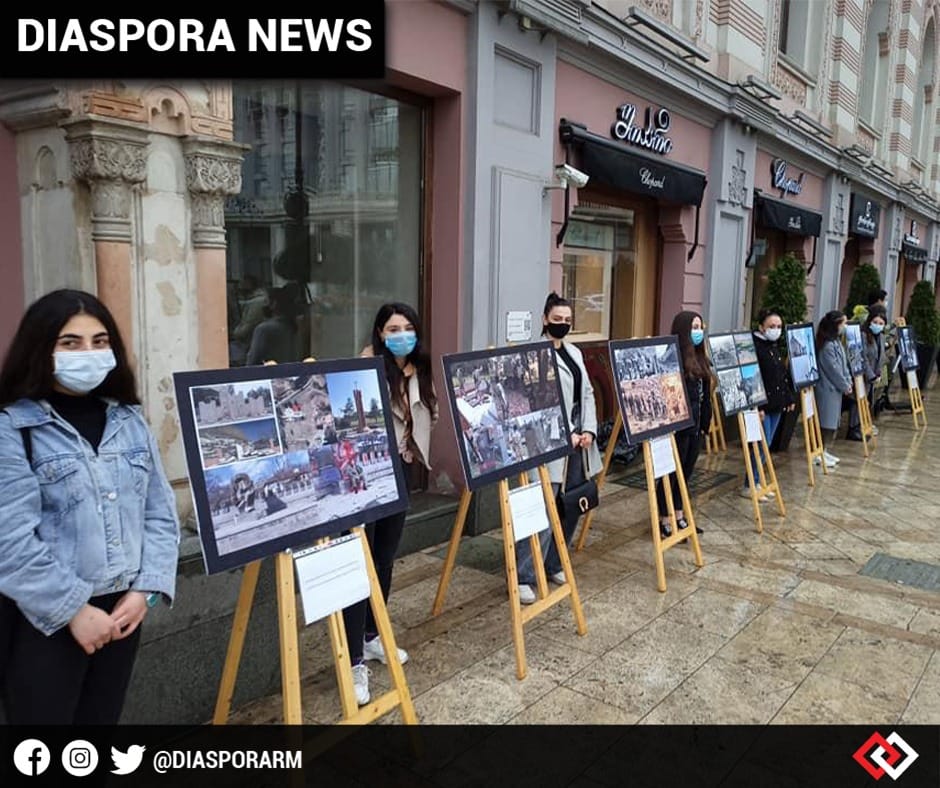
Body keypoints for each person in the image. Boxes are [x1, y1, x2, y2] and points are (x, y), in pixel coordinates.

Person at [0, 289, 180, 724]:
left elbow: (159, 511)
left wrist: (146, 592)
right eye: (71, 342)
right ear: (41, 348)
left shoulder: (127, 419)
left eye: (100, 342)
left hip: (122, 615)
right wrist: (75, 611)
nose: (89, 353)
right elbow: (10, 542)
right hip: (44, 620)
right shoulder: (14, 428)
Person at [342, 302, 438, 706]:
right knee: (358, 566)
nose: (402, 334)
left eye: (408, 327)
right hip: (365, 476)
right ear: (380, 333)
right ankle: (353, 661)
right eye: (393, 328)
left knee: (383, 560)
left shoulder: (418, 369)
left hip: (397, 473)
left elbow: (425, 414)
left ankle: (372, 635)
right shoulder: (366, 370)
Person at [515, 293, 602, 605]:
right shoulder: (533, 356)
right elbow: (537, 403)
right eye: (557, 320)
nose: (562, 325)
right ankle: (524, 574)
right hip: (548, 442)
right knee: (541, 509)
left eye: (567, 321)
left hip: (581, 442)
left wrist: (588, 429)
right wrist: (568, 433)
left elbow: (588, 393)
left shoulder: (575, 353)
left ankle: (553, 562)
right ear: (544, 320)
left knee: (570, 505)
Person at [656, 311, 712, 539]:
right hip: (679, 428)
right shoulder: (672, 359)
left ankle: (679, 513)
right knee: (670, 473)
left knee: (686, 473)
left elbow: (705, 396)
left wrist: (705, 422)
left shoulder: (701, 358)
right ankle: (664, 517)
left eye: (700, 326)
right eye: (694, 327)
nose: (698, 331)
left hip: (697, 426)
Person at [742, 309, 795, 500]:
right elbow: (753, 379)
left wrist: (788, 398)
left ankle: (758, 481)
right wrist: (758, 406)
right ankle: (750, 483)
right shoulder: (755, 347)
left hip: (776, 404)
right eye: (772, 326)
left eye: (779, 326)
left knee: (767, 444)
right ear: (761, 327)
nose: (776, 330)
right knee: (758, 445)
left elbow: (781, 375)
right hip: (762, 406)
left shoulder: (773, 346)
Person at [815, 310, 852, 467]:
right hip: (827, 390)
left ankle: (824, 450)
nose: (846, 326)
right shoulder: (827, 346)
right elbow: (833, 370)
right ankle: (818, 453)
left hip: (835, 391)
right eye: (844, 323)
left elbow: (843, 366)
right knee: (825, 423)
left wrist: (848, 381)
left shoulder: (836, 342)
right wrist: (844, 385)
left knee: (831, 423)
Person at [246, 286, 299, 365]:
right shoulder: (293, 326)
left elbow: (252, 362)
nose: (263, 305)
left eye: (265, 301)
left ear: (274, 303)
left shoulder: (264, 329)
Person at [861, 304, 888, 435]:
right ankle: (857, 426)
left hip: (874, 376)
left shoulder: (881, 337)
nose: (878, 325)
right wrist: (871, 375)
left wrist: (878, 374)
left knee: (869, 401)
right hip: (865, 375)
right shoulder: (864, 335)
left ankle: (866, 424)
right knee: (860, 401)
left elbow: (881, 356)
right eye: (875, 322)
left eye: (881, 323)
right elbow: (863, 357)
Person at [230, 274, 269, 365]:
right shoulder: (253, 300)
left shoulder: (256, 302)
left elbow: (247, 326)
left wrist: (235, 333)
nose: (240, 286)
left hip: (249, 343)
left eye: (243, 283)